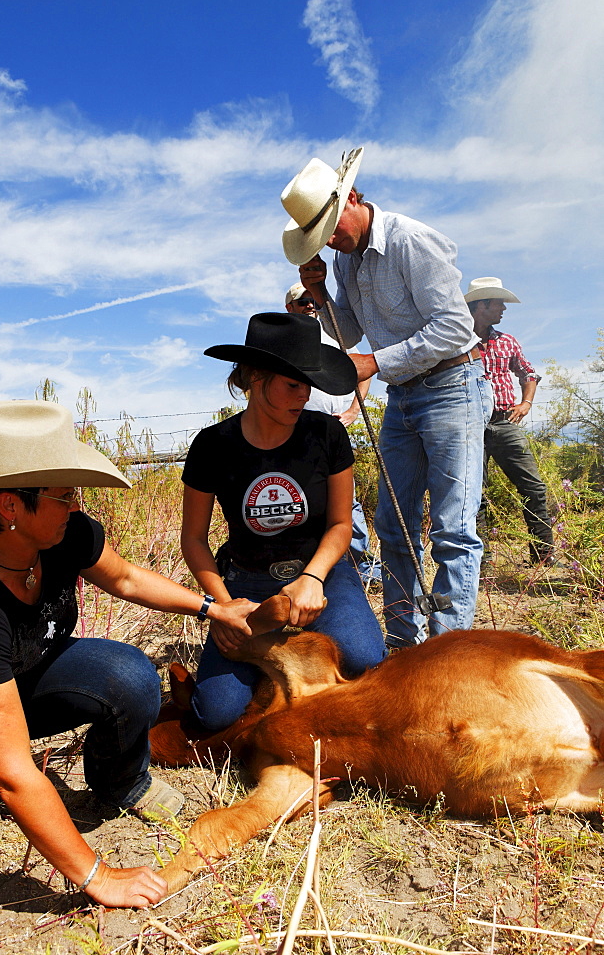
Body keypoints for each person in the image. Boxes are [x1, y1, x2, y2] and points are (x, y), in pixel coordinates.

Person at [0, 400, 255, 908]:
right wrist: (96, 875)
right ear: (10, 507)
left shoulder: (65, 535)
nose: (78, 505)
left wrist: (210, 608)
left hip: (26, 682)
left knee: (129, 676)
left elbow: (126, 578)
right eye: (64, 495)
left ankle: (122, 780)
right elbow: (14, 772)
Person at [281, 147, 493, 649]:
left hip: (450, 389)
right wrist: (323, 293)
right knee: (393, 528)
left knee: (452, 532)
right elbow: (350, 333)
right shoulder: (345, 261)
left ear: (352, 196)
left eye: (331, 227)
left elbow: (455, 327)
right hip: (404, 397)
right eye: (320, 237)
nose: (330, 240)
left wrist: (378, 363)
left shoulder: (411, 242)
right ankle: (403, 644)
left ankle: (445, 654)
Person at [180, 312, 387, 730]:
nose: (304, 396)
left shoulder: (326, 434)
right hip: (245, 582)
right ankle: (268, 664)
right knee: (214, 716)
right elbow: (194, 541)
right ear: (257, 378)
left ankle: (275, 662)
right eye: (293, 384)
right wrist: (223, 606)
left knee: (366, 663)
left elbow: (341, 526)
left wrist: (313, 577)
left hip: (321, 575)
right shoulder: (212, 446)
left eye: (307, 385)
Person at [285, 282, 382, 585]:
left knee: (346, 499)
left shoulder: (336, 336)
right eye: (302, 302)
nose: (310, 305)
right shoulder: (284, 340)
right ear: (290, 307)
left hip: (333, 430)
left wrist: (354, 409)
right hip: (294, 430)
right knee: (299, 497)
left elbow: (362, 369)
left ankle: (363, 570)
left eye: (313, 300)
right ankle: (306, 567)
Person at [464, 276, 555, 566]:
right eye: (499, 303)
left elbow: (528, 373)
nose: (504, 309)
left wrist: (526, 402)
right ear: (481, 305)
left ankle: (543, 557)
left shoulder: (507, 342)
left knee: (533, 488)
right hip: (467, 425)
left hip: (504, 422)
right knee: (474, 495)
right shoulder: (456, 340)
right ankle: (482, 561)